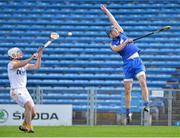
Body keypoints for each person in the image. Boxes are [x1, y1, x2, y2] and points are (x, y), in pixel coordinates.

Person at [100, 4, 150, 124]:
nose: (115, 30)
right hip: (127, 65)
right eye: (113, 31)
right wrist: (127, 42)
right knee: (127, 91)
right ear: (110, 35)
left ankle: (146, 105)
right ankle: (128, 112)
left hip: (137, 61)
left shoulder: (122, 32)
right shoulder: (112, 44)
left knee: (142, 81)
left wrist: (106, 11)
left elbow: (113, 20)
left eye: (115, 29)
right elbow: (118, 49)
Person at [7, 47, 44, 132]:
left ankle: (24, 126)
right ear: (13, 55)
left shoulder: (23, 64)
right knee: (28, 106)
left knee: (34, 113)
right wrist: (31, 57)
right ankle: (29, 127)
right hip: (15, 90)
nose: (20, 53)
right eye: (17, 52)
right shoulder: (11, 64)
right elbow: (20, 65)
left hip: (24, 90)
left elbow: (36, 67)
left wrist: (39, 56)